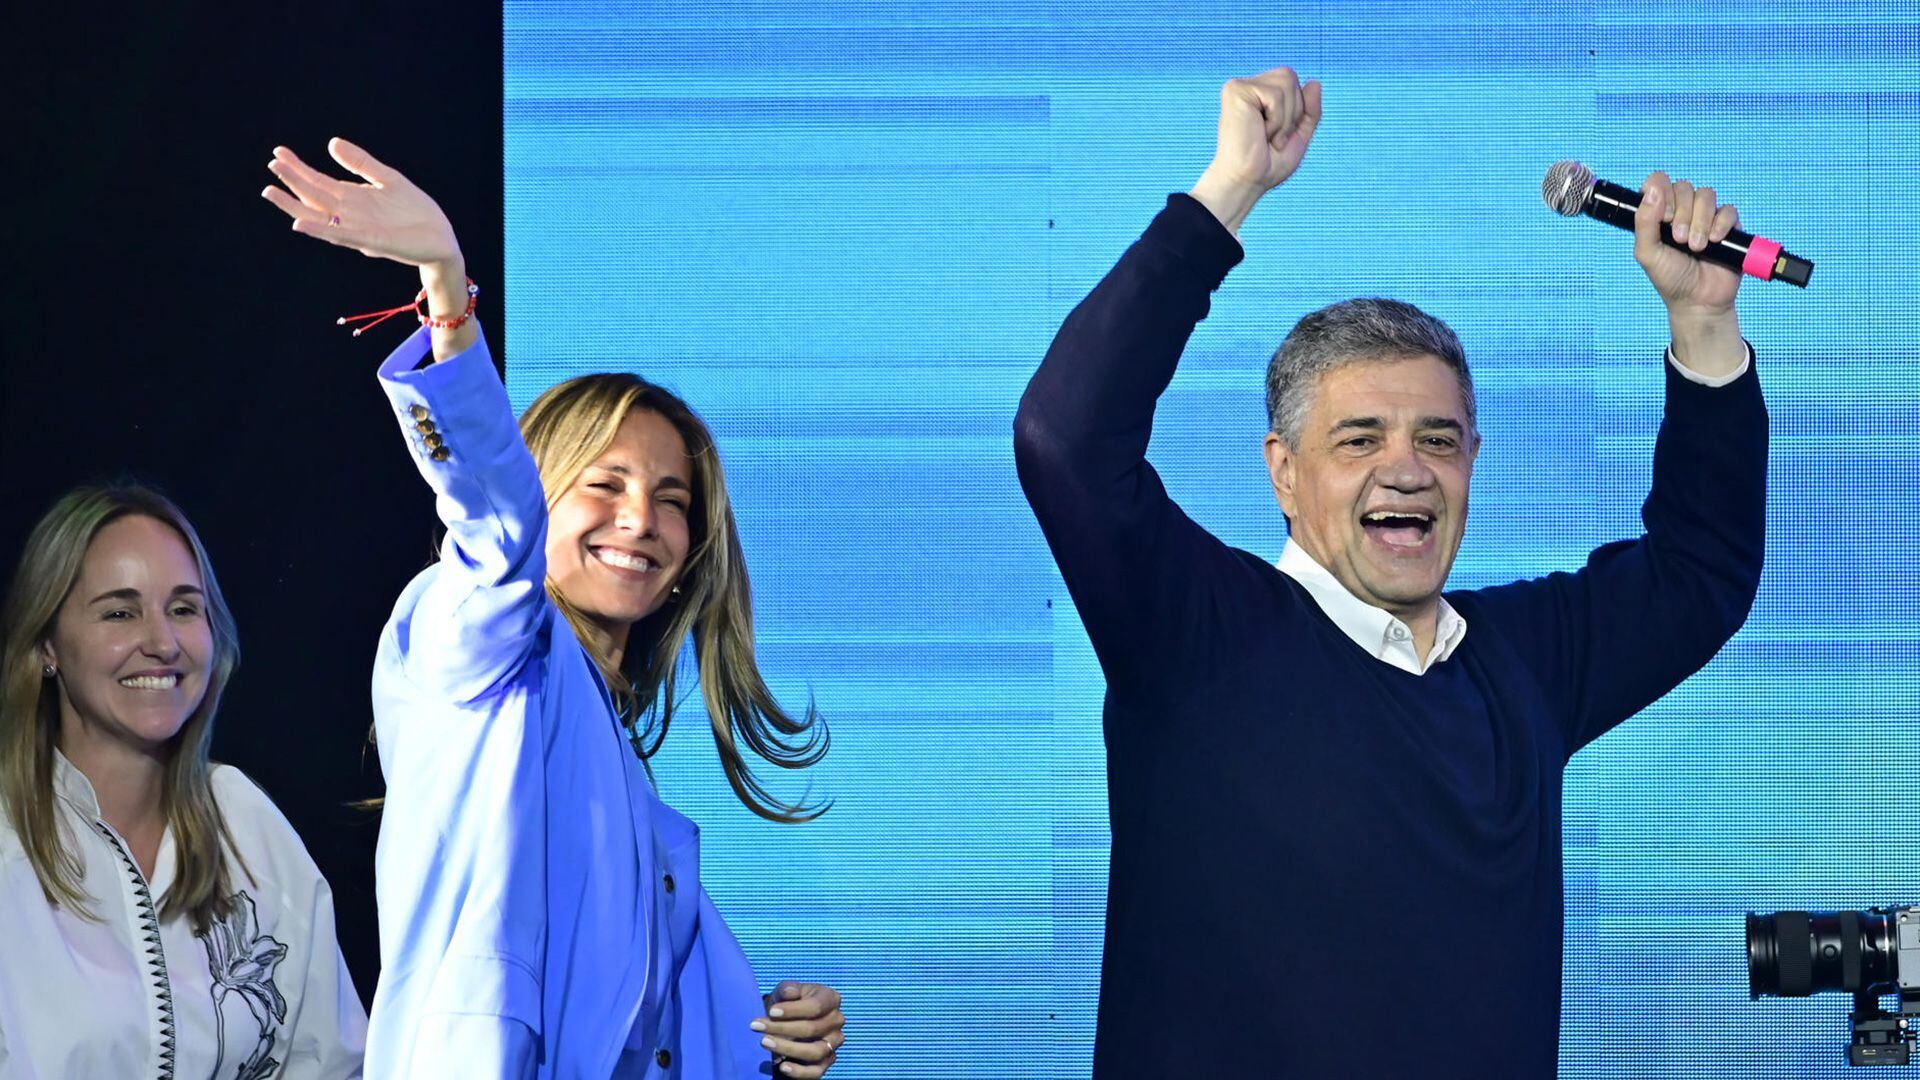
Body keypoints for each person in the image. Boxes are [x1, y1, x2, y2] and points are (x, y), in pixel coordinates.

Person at [1013, 67, 1765, 1076]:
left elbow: (1699, 571)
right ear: (1284, 472)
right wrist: (1228, 191)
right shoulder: (1197, 631)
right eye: (1359, 439)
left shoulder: (1522, 665)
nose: (1406, 468)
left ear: (1473, 462)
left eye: (1439, 440)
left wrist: (1704, 322)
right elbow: (1066, 437)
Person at [263, 138, 847, 1078]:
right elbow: (495, 526)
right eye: (604, 484)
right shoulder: (476, 637)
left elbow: (647, 1032)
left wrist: (781, 1031)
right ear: (542, 491)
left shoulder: (628, 785)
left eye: (671, 499)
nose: (639, 521)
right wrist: (446, 297)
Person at [0, 484, 367, 1078]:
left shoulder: (245, 819)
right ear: (48, 644)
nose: (161, 643)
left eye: (183, 608)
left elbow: (333, 1061)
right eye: (120, 612)